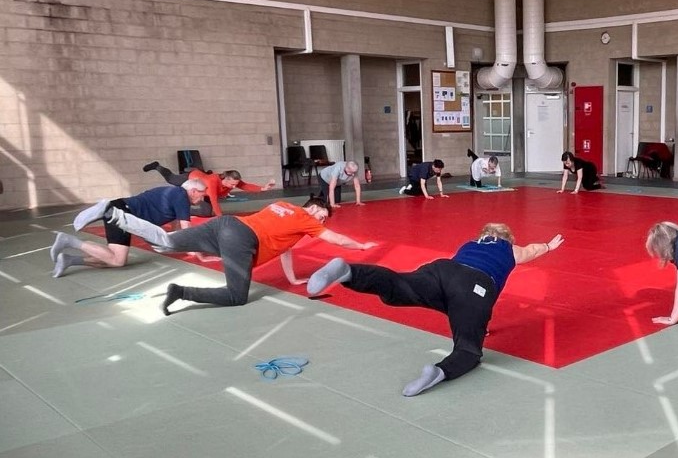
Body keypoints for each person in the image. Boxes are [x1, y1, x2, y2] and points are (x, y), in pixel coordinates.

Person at [306, 223, 564, 397]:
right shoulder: (509, 248)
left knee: (398, 286)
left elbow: (456, 285)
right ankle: (439, 371)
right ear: (507, 238)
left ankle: (349, 271)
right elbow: (531, 250)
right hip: (475, 285)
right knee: (468, 349)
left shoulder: (469, 244)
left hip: (441, 270)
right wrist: (548, 247)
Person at [104, 197, 376, 315]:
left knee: (164, 243)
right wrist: (362, 246)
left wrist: (293, 280)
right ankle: (181, 292)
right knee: (236, 296)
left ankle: (119, 217)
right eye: (322, 216)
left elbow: (285, 249)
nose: (322, 222)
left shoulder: (282, 206)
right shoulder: (306, 219)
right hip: (240, 240)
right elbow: (337, 239)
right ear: (313, 209)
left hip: (225, 225)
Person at [49, 182, 207, 277]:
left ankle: (69, 260)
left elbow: (176, 227)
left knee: (115, 259)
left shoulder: (174, 193)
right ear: (193, 191)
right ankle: (70, 241)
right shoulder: (181, 196)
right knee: (117, 261)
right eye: (202, 195)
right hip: (123, 213)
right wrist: (199, 255)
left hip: (122, 209)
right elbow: (186, 228)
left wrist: (186, 249)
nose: (202, 199)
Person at [142, 161, 276, 217]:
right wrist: (220, 217)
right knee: (171, 179)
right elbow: (213, 199)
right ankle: (157, 166)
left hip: (203, 191)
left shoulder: (233, 181)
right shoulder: (213, 181)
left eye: (236, 184)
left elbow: (246, 186)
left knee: (206, 213)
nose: (234, 187)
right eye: (232, 184)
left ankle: (181, 210)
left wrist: (263, 188)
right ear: (226, 179)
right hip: (191, 178)